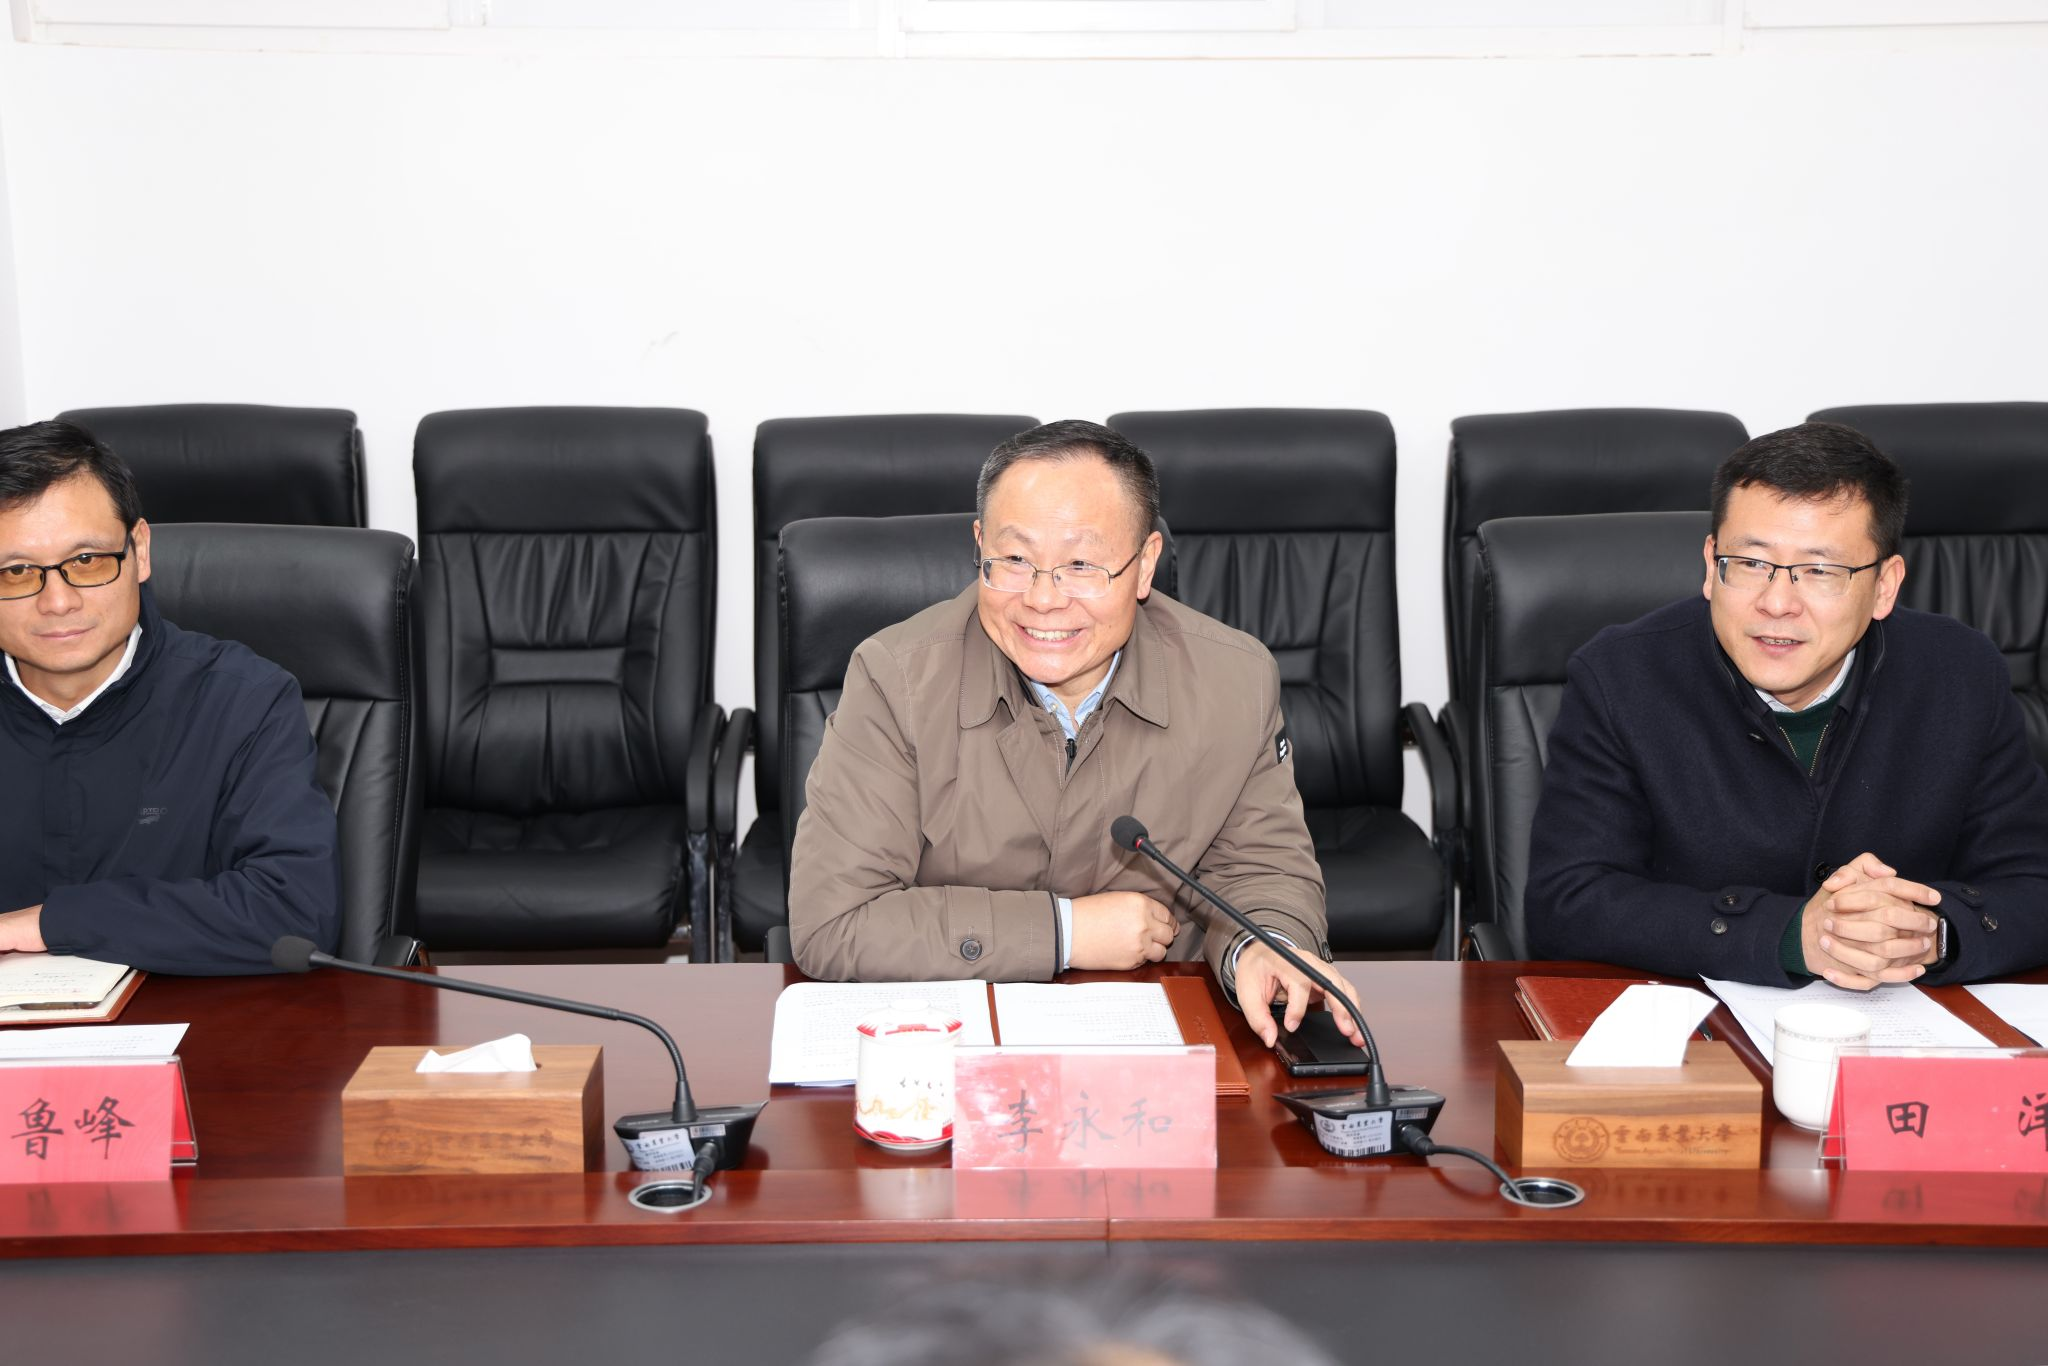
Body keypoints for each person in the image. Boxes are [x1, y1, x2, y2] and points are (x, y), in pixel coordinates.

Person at [788, 420, 1359, 1044]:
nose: (1042, 600)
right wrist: (1065, 932)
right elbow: (834, 921)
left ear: (1145, 565)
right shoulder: (895, 679)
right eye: (1014, 560)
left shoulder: (1234, 681)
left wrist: (1264, 944)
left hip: (1161, 1043)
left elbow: (1262, 871)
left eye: (1081, 564)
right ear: (978, 546)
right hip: (951, 1043)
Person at [1526, 421, 2048, 988]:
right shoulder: (1619, 678)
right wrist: (1788, 933)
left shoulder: (1961, 674)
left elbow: (2032, 882)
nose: (1776, 603)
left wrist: (1933, 932)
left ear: (1885, 586)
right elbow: (1567, 901)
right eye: (1751, 563)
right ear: (1711, 565)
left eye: (1820, 570)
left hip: (1902, 1022)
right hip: (1697, 1023)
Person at [0, 419, 339, 974]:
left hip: (196, 1020)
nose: (57, 602)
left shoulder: (243, 701)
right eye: (16, 572)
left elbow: (294, 912)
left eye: (86, 561)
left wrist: (46, 924)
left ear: (139, 550)